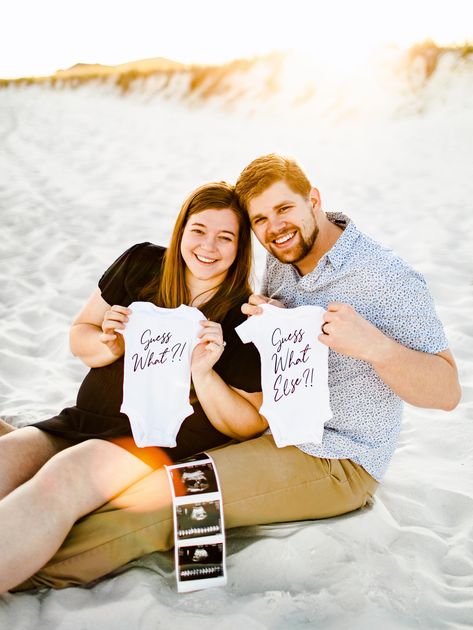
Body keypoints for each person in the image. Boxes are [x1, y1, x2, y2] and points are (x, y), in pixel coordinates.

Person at [7, 154, 461, 593]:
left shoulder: (385, 277)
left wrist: (374, 346)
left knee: (174, 500)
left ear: (314, 199)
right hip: (271, 434)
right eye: (260, 219)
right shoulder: (282, 263)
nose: (274, 227)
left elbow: (447, 392)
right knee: (137, 481)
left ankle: (32, 569)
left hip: (335, 454)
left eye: (284, 208)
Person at [0, 182, 266, 594]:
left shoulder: (243, 316)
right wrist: (109, 343)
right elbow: (80, 335)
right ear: (181, 230)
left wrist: (205, 373)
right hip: (83, 421)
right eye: (198, 230)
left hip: (153, 445)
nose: (208, 246)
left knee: (62, 478)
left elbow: (247, 424)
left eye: (225, 237)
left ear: (241, 247)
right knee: (7, 455)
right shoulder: (142, 264)